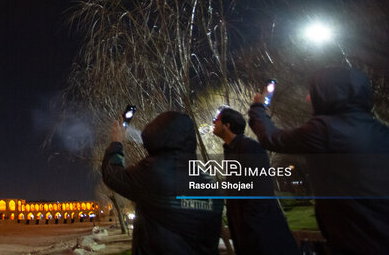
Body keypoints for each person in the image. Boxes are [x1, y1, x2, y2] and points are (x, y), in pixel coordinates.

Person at [248, 67, 389, 254]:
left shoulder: (324, 130)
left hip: (356, 239)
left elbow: (272, 138)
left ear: (330, 95)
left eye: (314, 93)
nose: (307, 99)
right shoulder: (379, 130)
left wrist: (258, 108)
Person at [102, 111, 223, 254]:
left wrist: (116, 143)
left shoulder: (153, 172)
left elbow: (112, 175)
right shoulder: (209, 184)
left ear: (155, 136)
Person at [212, 107, 299, 255]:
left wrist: (249, 223)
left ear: (228, 125)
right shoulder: (230, 151)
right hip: (246, 233)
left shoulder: (249, 147)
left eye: (217, 119)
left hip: (262, 233)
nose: (214, 122)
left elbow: (262, 188)